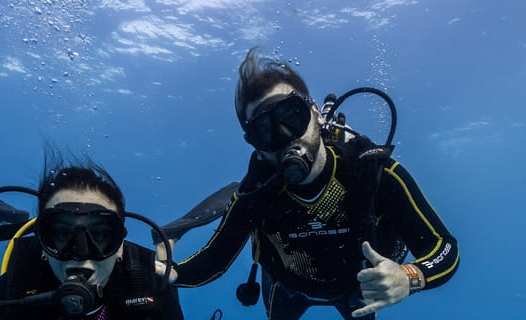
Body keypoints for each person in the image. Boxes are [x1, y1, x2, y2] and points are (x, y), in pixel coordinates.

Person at [170, 47, 459, 320]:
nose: (284, 137)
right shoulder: (256, 194)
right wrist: (163, 273)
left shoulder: (371, 171)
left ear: (317, 114)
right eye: (264, 130)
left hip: (357, 287)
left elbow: (443, 246)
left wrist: (408, 277)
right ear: (255, 147)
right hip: (287, 286)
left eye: (290, 116)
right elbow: (212, 261)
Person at [0, 150, 184, 320]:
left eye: (100, 233)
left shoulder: (151, 289)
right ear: (44, 244)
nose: (81, 253)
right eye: (62, 233)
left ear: (119, 245)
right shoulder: (13, 289)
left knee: (167, 273)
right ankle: (15, 222)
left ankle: (166, 246)